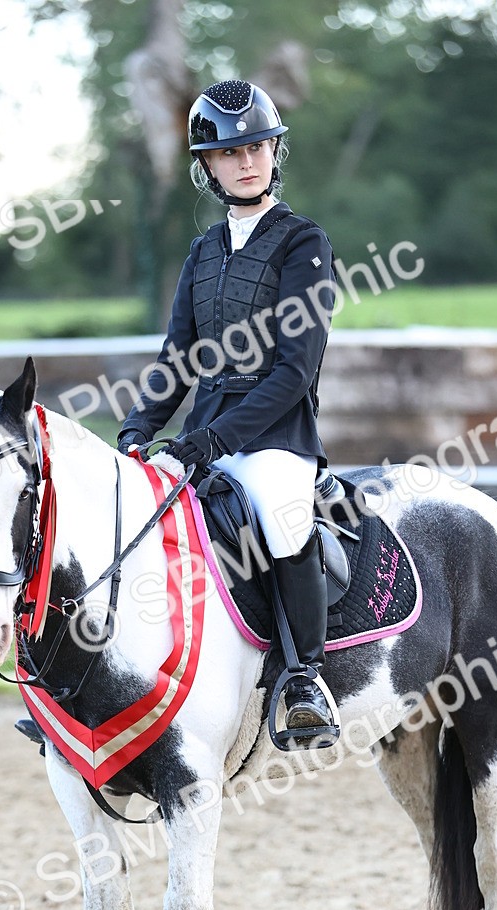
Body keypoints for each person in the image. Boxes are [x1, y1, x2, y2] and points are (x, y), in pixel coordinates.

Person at [117, 79, 338, 740]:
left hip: (275, 440)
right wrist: (137, 429)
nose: (247, 162)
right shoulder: (204, 251)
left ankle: (306, 678)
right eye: (231, 153)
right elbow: (178, 354)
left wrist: (209, 442)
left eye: (258, 148)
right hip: (199, 438)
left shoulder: (305, 242)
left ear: (275, 152)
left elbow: (294, 372)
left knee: (281, 514)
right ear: (208, 166)